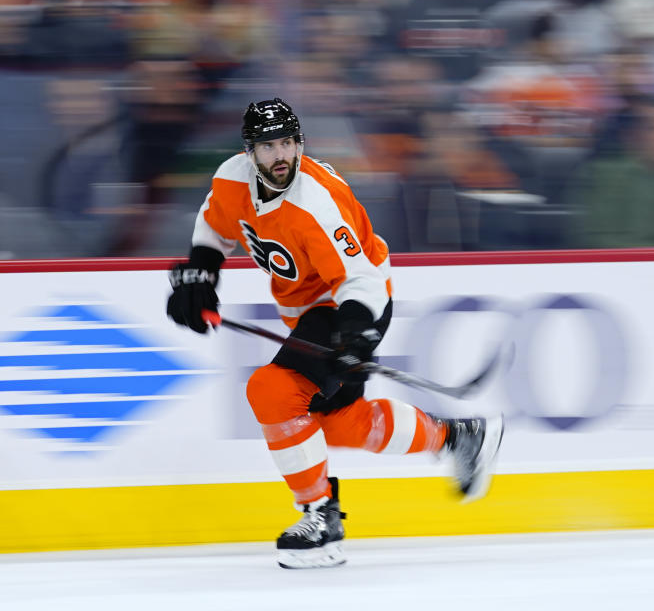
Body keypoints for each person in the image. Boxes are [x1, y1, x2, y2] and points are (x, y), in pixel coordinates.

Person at [166, 97, 504, 569]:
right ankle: (456, 437)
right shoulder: (231, 179)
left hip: (351, 307)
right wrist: (203, 272)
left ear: (300, 143)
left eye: (288, 143)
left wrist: (355, 336)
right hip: (307, 313)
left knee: (272, 390)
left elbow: (359, 280)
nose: (280, 156)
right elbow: (214, 224)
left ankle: (320, 517)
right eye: (268, 147)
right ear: (250, 153)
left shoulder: (317, 203)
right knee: (341, 421)